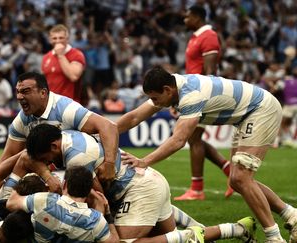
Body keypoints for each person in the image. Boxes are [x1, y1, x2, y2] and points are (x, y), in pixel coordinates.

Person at [121, 65, 297, 242]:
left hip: (261, 109)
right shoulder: (172, 84)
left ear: (167, 90)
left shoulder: (191, 95)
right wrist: (103, 131)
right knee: (237, 180)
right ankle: (292, 215)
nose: (155, 103)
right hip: (247, 115)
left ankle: (274, 237)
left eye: (155, 98)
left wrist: (144, 161)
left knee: (241, 178)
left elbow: (178, 140)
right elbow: (134, 117)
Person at [24, 124, 257, 243]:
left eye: (47, 159)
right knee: (169, 239)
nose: (49, 164)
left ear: (54, 147)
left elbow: (99, 200)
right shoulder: (71, 136)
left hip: (140, 192)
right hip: (149, 182)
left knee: (124, 242)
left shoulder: (77, 157)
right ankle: (238, 228)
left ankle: (195, 232)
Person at [0, 71, 118, 198]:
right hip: (64, 170)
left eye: (25, 91)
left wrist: (109, 163)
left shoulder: (65, 109)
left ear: (43, 93)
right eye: (18, 92)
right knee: (27, 163)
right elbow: (9, 155)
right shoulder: (22, 119)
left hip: (87, 166)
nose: (19, 97)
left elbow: (108, 126)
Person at [173, 4, 232, 200]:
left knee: (194, 138)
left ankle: (197, 189)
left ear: (198, 17)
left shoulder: (209, 36)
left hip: (202, 94)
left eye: (187, 16)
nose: (185, 20)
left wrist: (202, 97)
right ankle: (228, 170)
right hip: (193, 93)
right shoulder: (196, 36)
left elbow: (210, 71)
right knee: (194, 138)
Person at [7, 166, 120, 243]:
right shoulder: (96, 220)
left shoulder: (43, 200)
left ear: (64, 184)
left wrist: (25, 180)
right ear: (88, 191)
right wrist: (108, 215)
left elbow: (11, 203)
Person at [41, 24, 86, 104]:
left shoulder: (77, 54)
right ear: (50, 40)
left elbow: (73, 76)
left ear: (67, 39)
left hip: (70, 105)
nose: (58, 41)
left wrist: (60, 55)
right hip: (50, 105)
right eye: (54, 38)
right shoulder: (46, 57)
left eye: (61, 38)